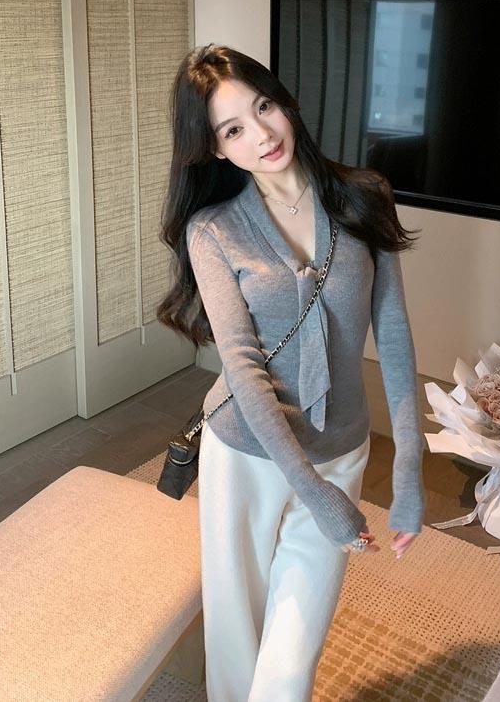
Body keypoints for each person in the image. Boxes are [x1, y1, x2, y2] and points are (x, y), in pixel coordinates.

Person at [157, 43, 426, 702]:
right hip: (244, 453)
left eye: (263, 107)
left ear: (284, 101)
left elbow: (392, 332)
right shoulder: (212, 229)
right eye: (233, 129)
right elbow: (242, 367)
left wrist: (409, 465)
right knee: (236, 635)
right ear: (216, 149)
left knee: (290, 660)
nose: (261, 134)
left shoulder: (364, 196)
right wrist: (313, 491)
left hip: (340, 449)